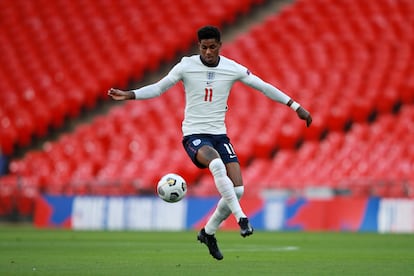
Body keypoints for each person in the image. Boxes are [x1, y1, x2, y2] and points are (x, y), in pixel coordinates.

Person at [108, 26, 312, 260]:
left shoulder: (231, 68)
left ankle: (208, 232)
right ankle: (242, 219)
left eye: (212, 47)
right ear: (199, 47)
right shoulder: (186, 65)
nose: (208, 52)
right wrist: (130, 94)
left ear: (220, 46)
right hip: (194, 135)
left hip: (219, 135)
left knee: (238, 189)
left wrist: (295, 106)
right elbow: (159, 88)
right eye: (204, 47)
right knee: (216, 165)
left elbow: (264, 87)